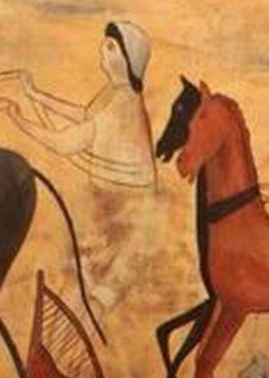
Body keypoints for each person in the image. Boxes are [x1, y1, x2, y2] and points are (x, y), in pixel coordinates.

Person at [8, 21, 158, 312]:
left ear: (128, 61)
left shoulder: (122, 105)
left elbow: (64, 142)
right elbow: (84, 114)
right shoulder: (118, 93)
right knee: (82, 284)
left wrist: (19, 121)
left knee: (89, 293)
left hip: (123, 213)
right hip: (112, 207)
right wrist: (35, 96)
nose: (103, 49)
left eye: (111, 47)